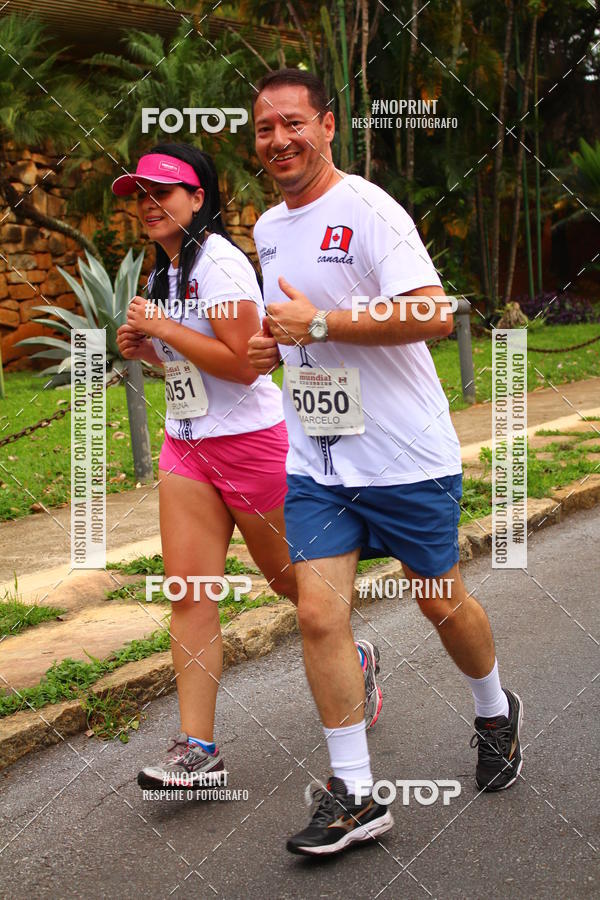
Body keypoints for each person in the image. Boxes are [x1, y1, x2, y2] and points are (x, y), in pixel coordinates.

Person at [248, 69, 523, 857]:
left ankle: (495, 710)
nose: (280, 140)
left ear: (327, 126)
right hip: (320, 462)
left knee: (438, 600)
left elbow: (432, 312)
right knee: (317, 613)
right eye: (265, 129)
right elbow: (296, 324)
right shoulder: (267, 227)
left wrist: (322, 321)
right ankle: (356, 795)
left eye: (293, 123)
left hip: (405, 457)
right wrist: (276, 343)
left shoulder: (369, 209)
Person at [113, 143, 381, 790]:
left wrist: (165, 331)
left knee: (297, 587)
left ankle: (356, 660)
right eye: (140, 195)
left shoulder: (222, 264)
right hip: (186, 446)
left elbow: (243, 365)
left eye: (162, 192)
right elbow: (192, 363)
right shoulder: (163, 273)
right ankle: (198, 749)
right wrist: (149, 351)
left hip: (252, 445)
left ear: (197, 197)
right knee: (189, 593)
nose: (148, 205)